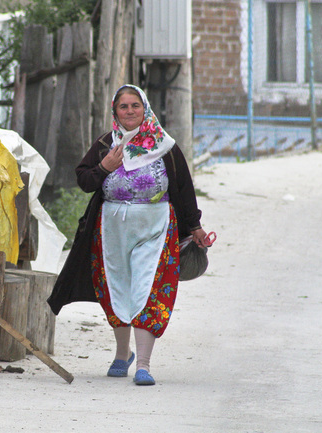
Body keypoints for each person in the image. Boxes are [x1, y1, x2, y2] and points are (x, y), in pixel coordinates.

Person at [47, 84, 209, 386]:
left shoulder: (166, 146)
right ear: (115, 111)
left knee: (147, 289)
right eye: (124, 106)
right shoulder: (105, 145)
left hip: (156, 226)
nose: (130, 111)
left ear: (145, 108)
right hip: (111, 229)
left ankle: (144, 365)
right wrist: (104, 167)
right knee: (116, 288)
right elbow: (84, 180)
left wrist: (195, 227)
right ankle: (123, 354)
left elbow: (184, 190)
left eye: (136, 105)